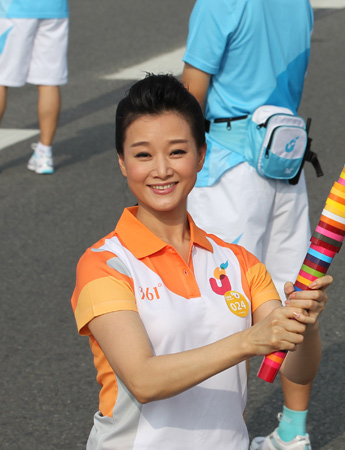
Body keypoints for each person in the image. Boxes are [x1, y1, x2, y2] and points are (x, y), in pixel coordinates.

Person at [70, 74, 331, 450]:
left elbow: (296, 368)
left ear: (201, 155)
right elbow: (143, 381)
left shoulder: (239, 263)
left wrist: (306, 325)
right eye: (143, 155)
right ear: (123, 163)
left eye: (177, 151)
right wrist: (248, 340)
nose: (161, 170)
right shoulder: (106, 265)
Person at [181, 1, 317, 448]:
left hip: (227, 167)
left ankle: (220, 436)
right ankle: (293, 433)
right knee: (295, 303)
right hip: (285, 162)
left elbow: (191, 94)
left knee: (221, 309)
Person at [0, 0, 68, 174]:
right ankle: (44, 153)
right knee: (49, 81)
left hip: (14, 10)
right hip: (55, 10)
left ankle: (44, 153)